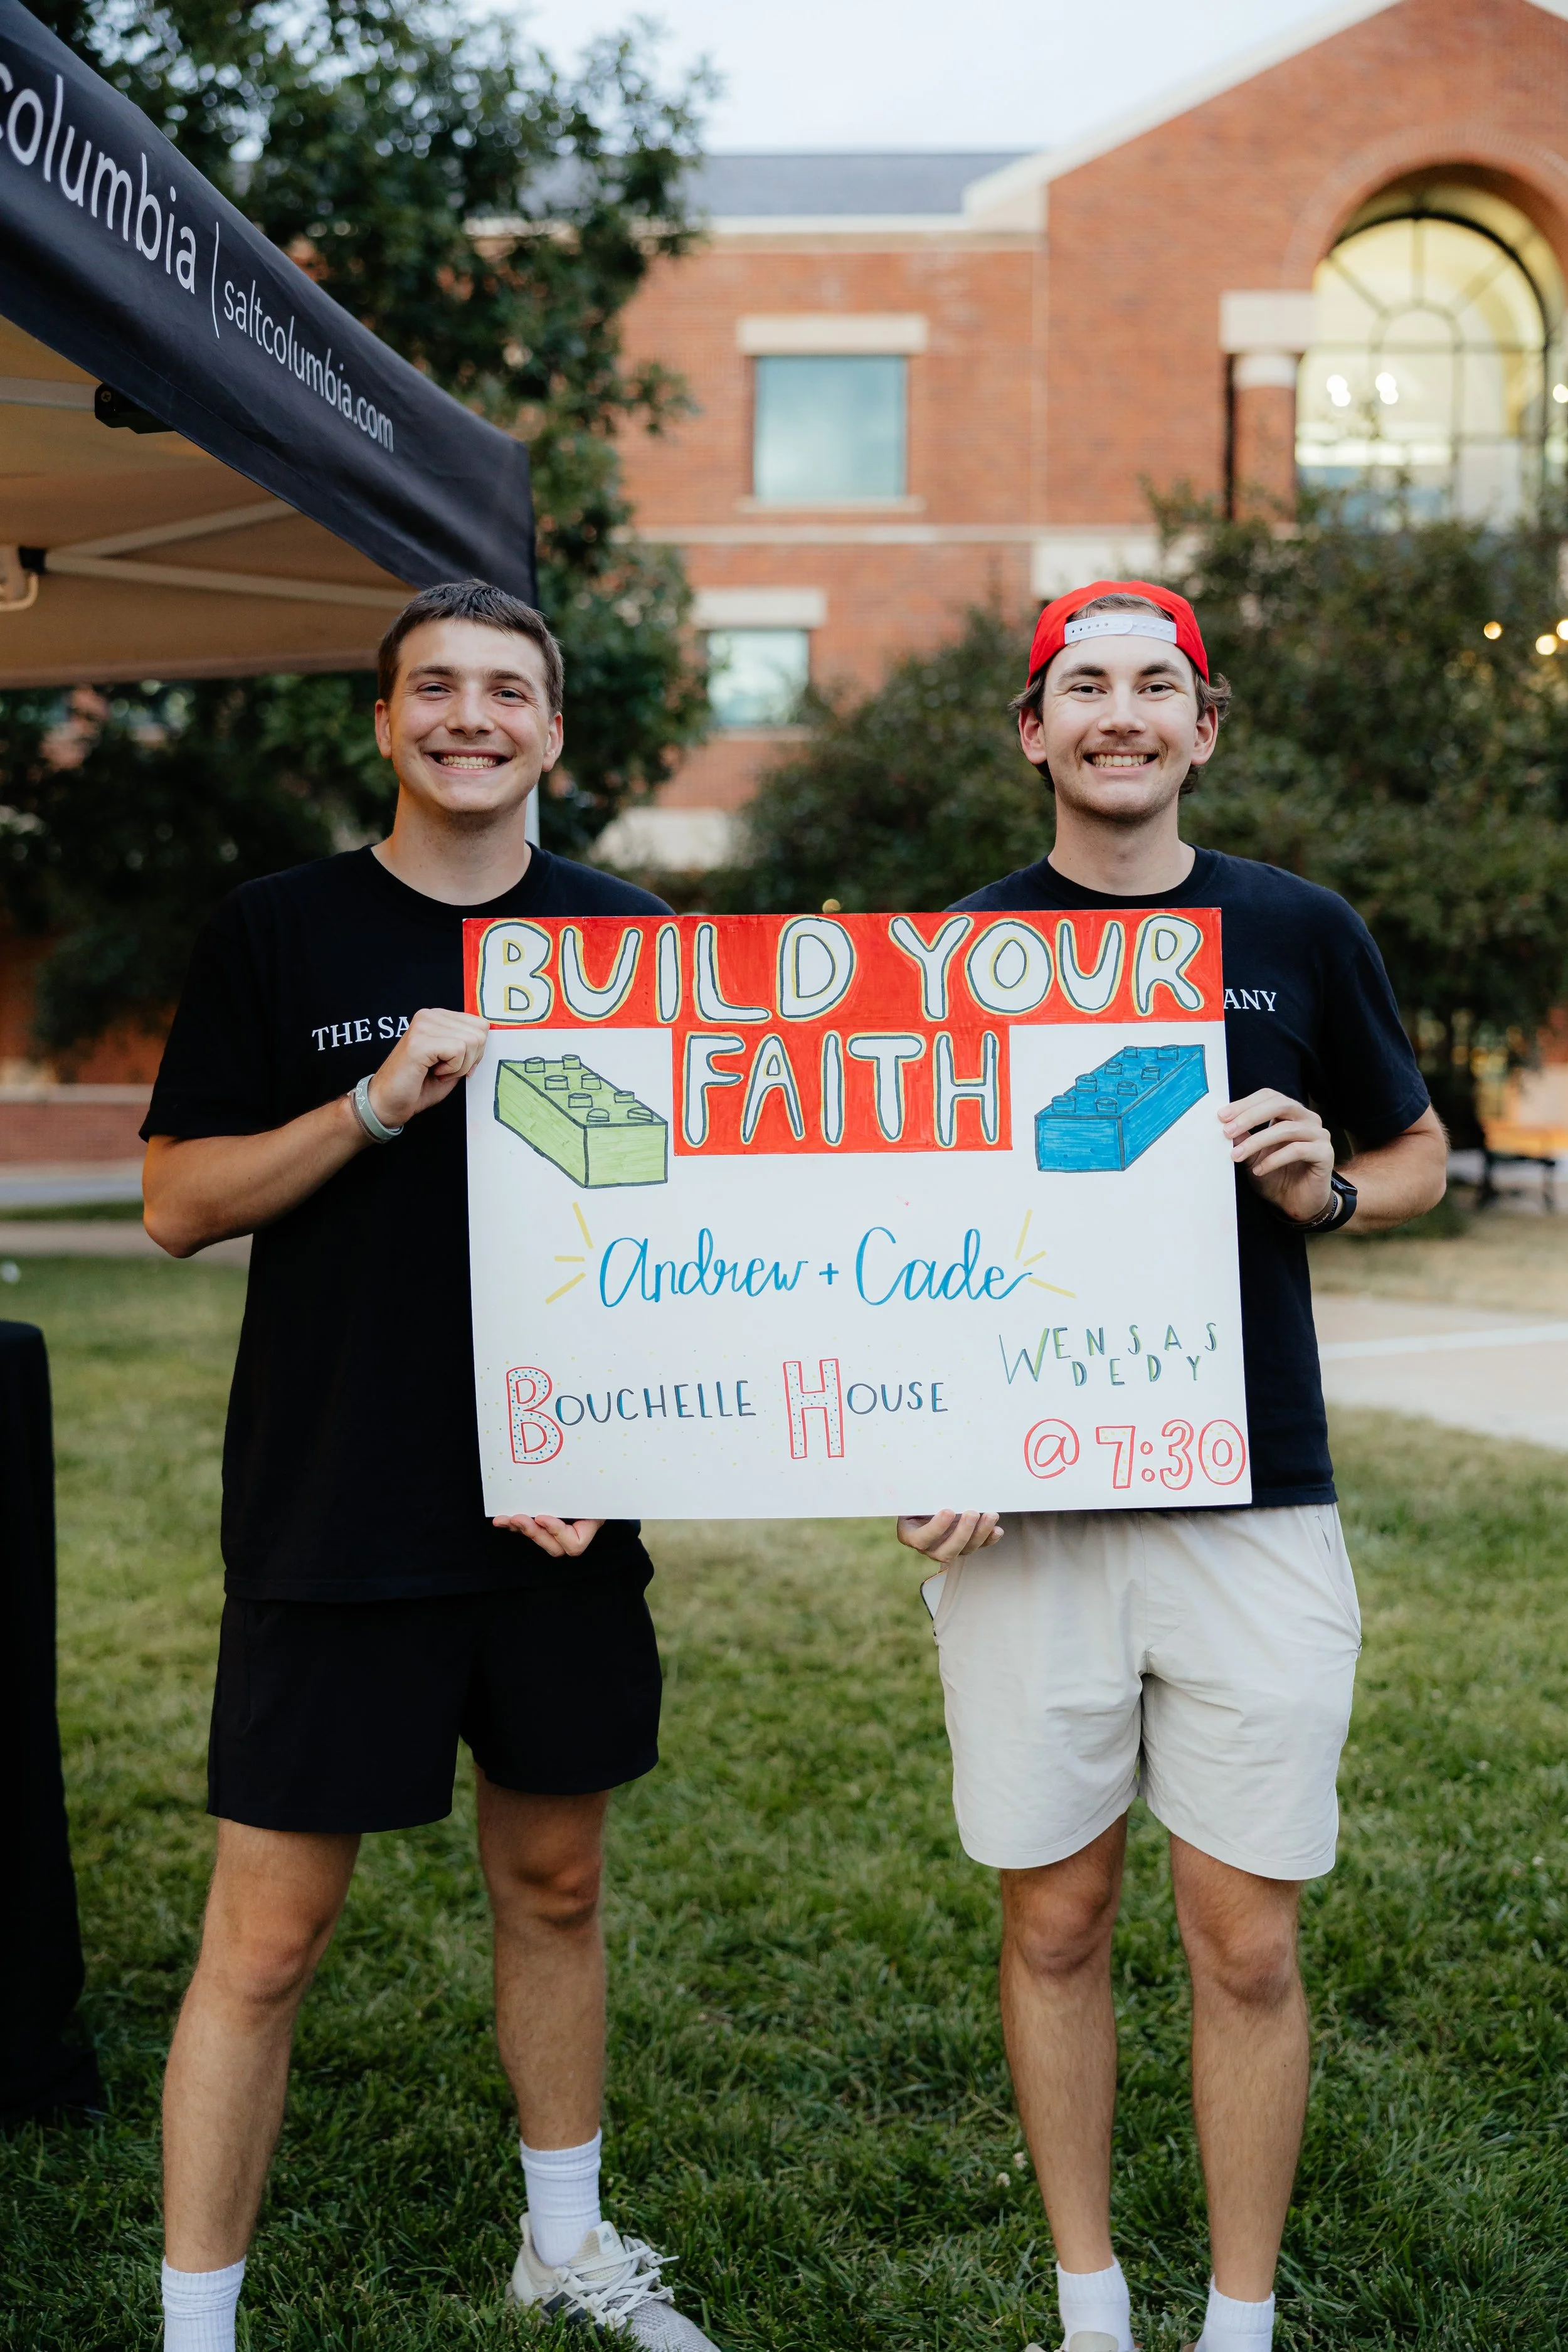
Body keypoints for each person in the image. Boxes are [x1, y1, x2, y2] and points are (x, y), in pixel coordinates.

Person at [142, 580, 719, 2352]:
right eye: (435, 689)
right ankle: (197, 2322)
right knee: (269, 1931)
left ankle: (564, 2239)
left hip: (559, 1509)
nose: (471, 717)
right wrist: (375, 1105)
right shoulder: (280, 931)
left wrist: (621, 1443)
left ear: (554, 730)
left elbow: (704, 1228)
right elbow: (176, 1202)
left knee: (555, 1882)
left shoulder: (629, 942)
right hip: (339, 1498)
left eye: (508, 692)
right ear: (383, 724)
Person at [896, 581, 1447, 2352]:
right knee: (1052, 1919)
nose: (1119, 713)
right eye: (1084, 687)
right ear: (1032, 730)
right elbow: (890, 1229)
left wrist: (1328, 1188)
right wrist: (930, 1427)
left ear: (1202, 727)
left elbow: (1415, 1152)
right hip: (1025, 1509)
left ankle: (1237, 2318)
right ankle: (1087, 2300)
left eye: (1155, 686)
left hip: (1253, 1494)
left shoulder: (1295, 927)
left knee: (1245, 1938)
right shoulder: (956, 954)